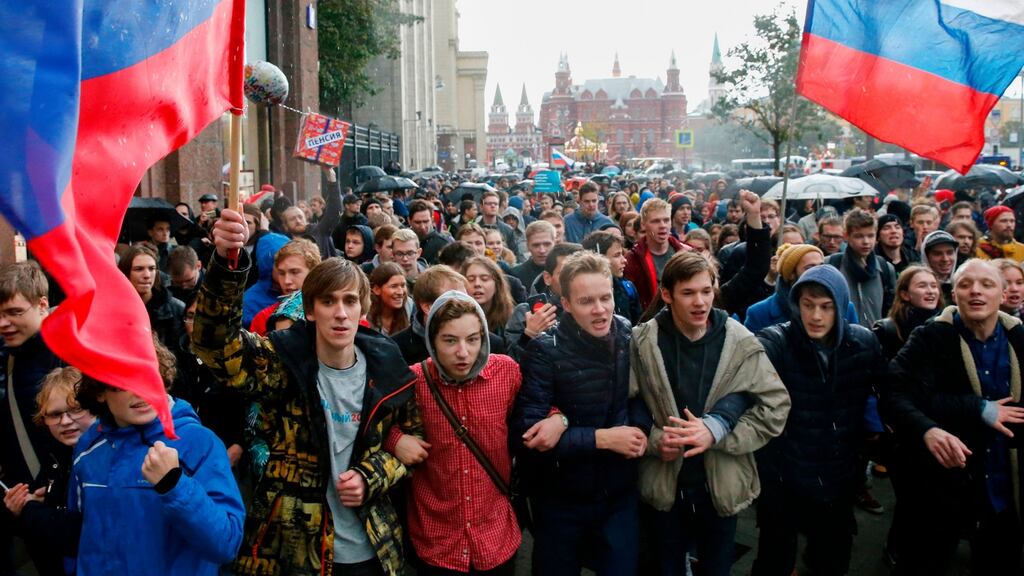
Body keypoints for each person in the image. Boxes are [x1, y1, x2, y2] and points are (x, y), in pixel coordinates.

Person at [193, 208, 418, 575]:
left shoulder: (386, 365)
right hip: (294, 549)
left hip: (371, 547)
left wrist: (371, 475)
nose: (340, 313)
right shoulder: (282, 361)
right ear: (311, 310)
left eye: (349, 301)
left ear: (363, 307)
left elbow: (411, 440)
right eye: (328, 302)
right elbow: (215, 347)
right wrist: (225, 263)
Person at [631, 251, 790, 576]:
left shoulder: (740, 340)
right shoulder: (643, 340)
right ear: (667, 294)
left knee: (717, 567)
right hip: (665, 484)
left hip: (721, 483)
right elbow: (627, 403)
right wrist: (653, 440)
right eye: (688, 292)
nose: (700, 302)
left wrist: (719, 432)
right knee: (666, 567)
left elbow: (775, 406)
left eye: (706, 290)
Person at [885, 259, 1024, 575]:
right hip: (942, 485)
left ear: (1003, 294)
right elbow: (895, 393)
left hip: (1003, 485)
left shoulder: (1018, 338)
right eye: (965, 284)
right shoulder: (931, 337)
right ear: (954, 294)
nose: (975, 291)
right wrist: (929, 429)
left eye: (987, 284)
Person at [512, 251, 645, 575]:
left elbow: (640, 395)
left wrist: (640, 429)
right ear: (567, 304)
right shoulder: (545, 350)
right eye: (587, 301)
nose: (600, 310)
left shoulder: (627, 332)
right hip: (561, 498)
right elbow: (530, 433)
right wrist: (602, 439)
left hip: (618, 492)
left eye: (606, 298)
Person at [751, 265, 884, 576]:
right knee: (774, 557)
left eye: (826, 307)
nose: (816, 316)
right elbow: (748, 371)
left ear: (840, 306)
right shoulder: (778, 341)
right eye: (808, 305)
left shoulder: (863, 343)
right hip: (784, 474)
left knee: (831, 560)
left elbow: (890, 392)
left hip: (838, 475)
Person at [69, 341, 245, 575]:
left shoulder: (199, 443)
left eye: (148, 376)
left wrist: (174, 485)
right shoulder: (88, 447)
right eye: (124, 383)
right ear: (100, 391)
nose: (141, 391)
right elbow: (80, 533)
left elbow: (226, 543)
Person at [398, 292, 523, 575]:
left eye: (473, 339)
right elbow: (376, 427)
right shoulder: (413, 380)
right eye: (450, 340)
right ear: (432, 340)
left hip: (496, 536)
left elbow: (533, 413)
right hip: (436, 540)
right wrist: (395, 440)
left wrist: (558, 419)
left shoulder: (507, 372)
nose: (463, 352)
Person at [2, 367, 93, 576]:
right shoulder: (57, 457)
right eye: (55, 414)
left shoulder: (106, 459)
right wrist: (15, 508)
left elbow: (81, 534)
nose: (65, 421)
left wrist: (28, 509)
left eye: (76, 409)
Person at [391, 266, 507, 365]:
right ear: (428, 307)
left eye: (465, 298)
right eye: (454, 301)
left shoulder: (492, 345)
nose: (463, 305)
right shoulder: (396, 348)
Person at [746, 243, 860, 334]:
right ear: (791, 274)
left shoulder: (844, 307)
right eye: (810, 268)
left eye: (821, 266)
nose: (818, 272)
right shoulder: (759, 313)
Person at [504, 243, 582, 361]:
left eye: (580, 272)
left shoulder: (597, 307)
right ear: (547, 278)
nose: (574, 279)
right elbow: (512, 366)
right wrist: (529, 335)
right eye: (565, 274)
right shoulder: (526, 313)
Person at [826, 208, 897, 326]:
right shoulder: (832, 265)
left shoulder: (885, 269)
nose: (866, 241)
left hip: (875, 338)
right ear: (846, 236)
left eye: (871, 236)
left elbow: (891, 310)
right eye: (859, 236)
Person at [624, 199, 689, 310]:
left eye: (666, 220)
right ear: (643, 225)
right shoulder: (631, 260)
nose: (662, 225)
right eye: (655, 221)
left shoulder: (687, 253)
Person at [119, 244, 186, 350]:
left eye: (151, 269)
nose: (147, 275)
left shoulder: (177, 309)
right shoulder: (115, 310)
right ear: (126, 273)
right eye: (139, 269)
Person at [582, 231, 642, 325]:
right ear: (598, 258)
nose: (624, 260)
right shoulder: (580, 293)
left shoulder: (627, 288)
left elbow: (636, 325)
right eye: (617, 255)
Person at [463, 256, 515, 341]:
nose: (477, 284)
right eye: (471, 279)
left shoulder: (511, 320)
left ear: (497, 284)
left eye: (484, 279)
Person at [367, 263, 414, 336]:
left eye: (403, 285)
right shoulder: (364, 312)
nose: (400, 292)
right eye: (394, 286)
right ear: (376, 289)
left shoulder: (409, 306)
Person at [511, 221, 556, 288]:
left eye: (547, 244)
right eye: (536, 245)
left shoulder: (567, 271)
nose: (542, 250)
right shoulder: (516, 275)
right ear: (527, 246)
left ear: (554, 243)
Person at [408, 199, 452, 265]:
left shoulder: (443, 243)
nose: (422, 226)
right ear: (409, 221)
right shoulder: (403, 241)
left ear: (432, 219)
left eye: (426, 221)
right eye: (418, 222)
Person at [921, 230, 959, 303]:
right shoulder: (919, 288)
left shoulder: (961, 284)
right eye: (937, 254)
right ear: (926, 257)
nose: (945, 259)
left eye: (950, 253)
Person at [477, 191, 518, 259]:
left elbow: (515, 254)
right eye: (489, 203)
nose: (493, 206)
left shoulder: (508, 230)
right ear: (481, 206)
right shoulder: (476, 229)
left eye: (496, 204)